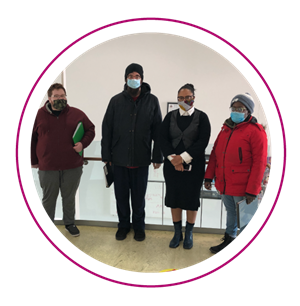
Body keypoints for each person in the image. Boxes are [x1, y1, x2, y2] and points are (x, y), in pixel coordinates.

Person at [101, 63, 163, 242]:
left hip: (141, 159)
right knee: (121, 197)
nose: (134, 79)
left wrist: (157, 156)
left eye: (137, 76)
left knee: (138, 198)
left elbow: (157, 131)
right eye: (130, 76)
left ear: (142, 79)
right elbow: (107, 129)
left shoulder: (152, 101)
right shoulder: (115, 101)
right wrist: (106, 156)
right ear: (125, 79)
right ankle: (123, 226)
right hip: (118, 160)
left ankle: (139, 227)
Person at [204, 93, 267, 254]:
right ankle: (229, 239)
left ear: (248, 111)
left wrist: (253, 189)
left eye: (240, 108)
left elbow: (259, 162)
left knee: (246, 219)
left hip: (244, 187)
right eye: (234, 107)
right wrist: (208, 176)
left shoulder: (256, 131)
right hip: (225, 184)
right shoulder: (225, 129)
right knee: (231, 214)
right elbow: (215, 155)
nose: (236, 111)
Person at [30, 83, 95, 236]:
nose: (60, 98)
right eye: (56, 96)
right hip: (47, 166)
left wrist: (83, 144)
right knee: (48, 199)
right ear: (49, 98)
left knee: (69, 197)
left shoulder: (77, 114)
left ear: (66, 97)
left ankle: (69, 223)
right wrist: (33, 160)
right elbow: (32, 139)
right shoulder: (38, 115)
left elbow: (90, 130)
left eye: (62, 96)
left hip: (72, 165)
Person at [159, 84, 211, 249]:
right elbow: (163, 139)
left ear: (193, 98)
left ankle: (189, 233)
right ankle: (177, 233)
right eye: (180, 98)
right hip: (171, 166)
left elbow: (202, 142)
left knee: (191, 198)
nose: (184, 100)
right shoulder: (170, 117)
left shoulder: (202, 118)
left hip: (194, 166)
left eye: (187, 97)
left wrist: (183, 158)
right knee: (174, 198)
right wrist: (173, 159)